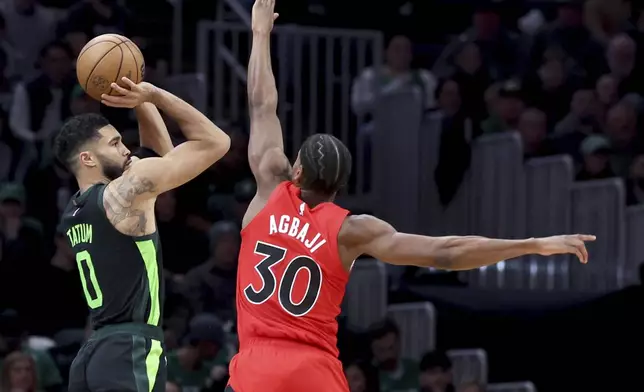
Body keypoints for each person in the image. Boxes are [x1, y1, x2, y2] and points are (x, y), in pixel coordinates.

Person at [226, 1, 596, 391]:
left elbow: (262, 104)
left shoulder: (270, 190)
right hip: (313, 372)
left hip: (256, 365)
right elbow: (447, 252)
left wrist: (260, 34)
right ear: (339, 188)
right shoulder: (352, 230)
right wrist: (533, 244)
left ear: (296, 171)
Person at [54, 78, 231, 392]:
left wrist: (138, 100)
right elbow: (216, 142)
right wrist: (154, 94)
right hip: (130, 348)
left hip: (92, 354)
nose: (126, 150)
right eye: (115, 144)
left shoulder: (75, 210)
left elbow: (159, 158)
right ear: (88, 159)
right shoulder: (126, 192)